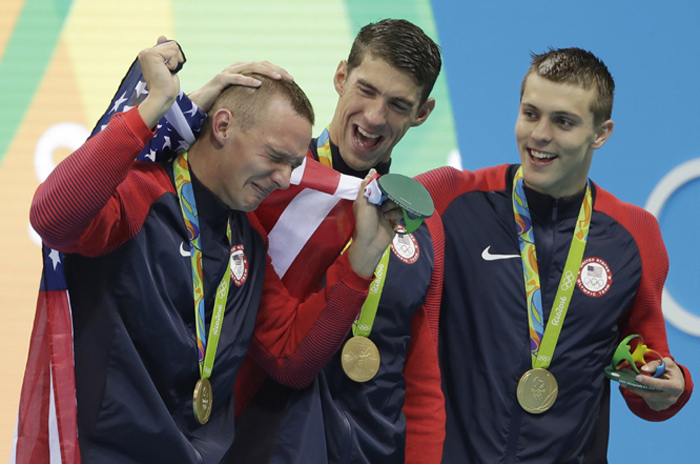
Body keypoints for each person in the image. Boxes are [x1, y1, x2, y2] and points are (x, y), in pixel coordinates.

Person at [28, 37, 398, 463]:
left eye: (293, 165)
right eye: (275, 156)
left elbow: (290, 359)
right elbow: (52, 218)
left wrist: (360, 264)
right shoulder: (138, 197)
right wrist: (154, 107)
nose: (283, 179)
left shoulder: (249, 241)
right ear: (221, 126)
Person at [415, 47, 694, 463]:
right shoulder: (452, 198)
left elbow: (646, 354)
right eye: (531, 114)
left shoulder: (636, 236)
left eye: (563, 121)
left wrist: (670, 386)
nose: (539, 135)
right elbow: (350, 201)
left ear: (601, 133)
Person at [220, 18, 446, 464]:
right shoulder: (268, 187)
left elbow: (420, 380)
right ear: (341, 76)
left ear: (422, 114)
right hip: (260, 445)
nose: (376, 117)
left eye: (399, 104)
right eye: (366, 90)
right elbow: (280, 353)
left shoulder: (423, 224)